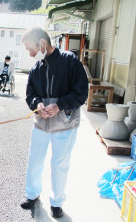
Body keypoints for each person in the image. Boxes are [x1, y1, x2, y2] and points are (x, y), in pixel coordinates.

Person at [20, 27, 88, 218]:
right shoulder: (36, 67)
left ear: (42, 43)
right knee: (35, 160)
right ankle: (32, 195)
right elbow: (30, 94)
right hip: (41, 123)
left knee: (60, 163)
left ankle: (56, 202)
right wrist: (38, 104)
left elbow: (81, 92)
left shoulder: (70, 61)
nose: (30, 53)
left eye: (30, 48)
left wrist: (60, 105)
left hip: (65, 123)